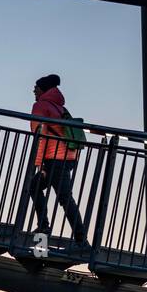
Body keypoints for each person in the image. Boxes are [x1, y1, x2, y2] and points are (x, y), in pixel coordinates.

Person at [28, 74, 87, 248]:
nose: (33, 90)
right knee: (35, 187)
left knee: (65, 198)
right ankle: (44, 228)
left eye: (36, 87)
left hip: (54, 159)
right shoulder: (61, 108)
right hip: (68, 157)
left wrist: (39, 164)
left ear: (43, 89)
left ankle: (80, 239)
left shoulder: (40, 106)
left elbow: (39, 136)